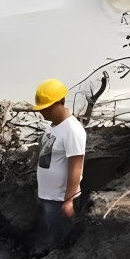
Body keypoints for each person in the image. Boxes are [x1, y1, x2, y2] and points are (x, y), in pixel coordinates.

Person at [32, 78, 87, 248]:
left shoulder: (72, 129)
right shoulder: (53, 126)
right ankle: (51, 254)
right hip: (48, 195)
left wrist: (69, 200)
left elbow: (76, 166)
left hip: (60, 198)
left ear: (60, 102)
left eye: (47, 108)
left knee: (63, 238)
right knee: (53, 230)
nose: (43, 113)